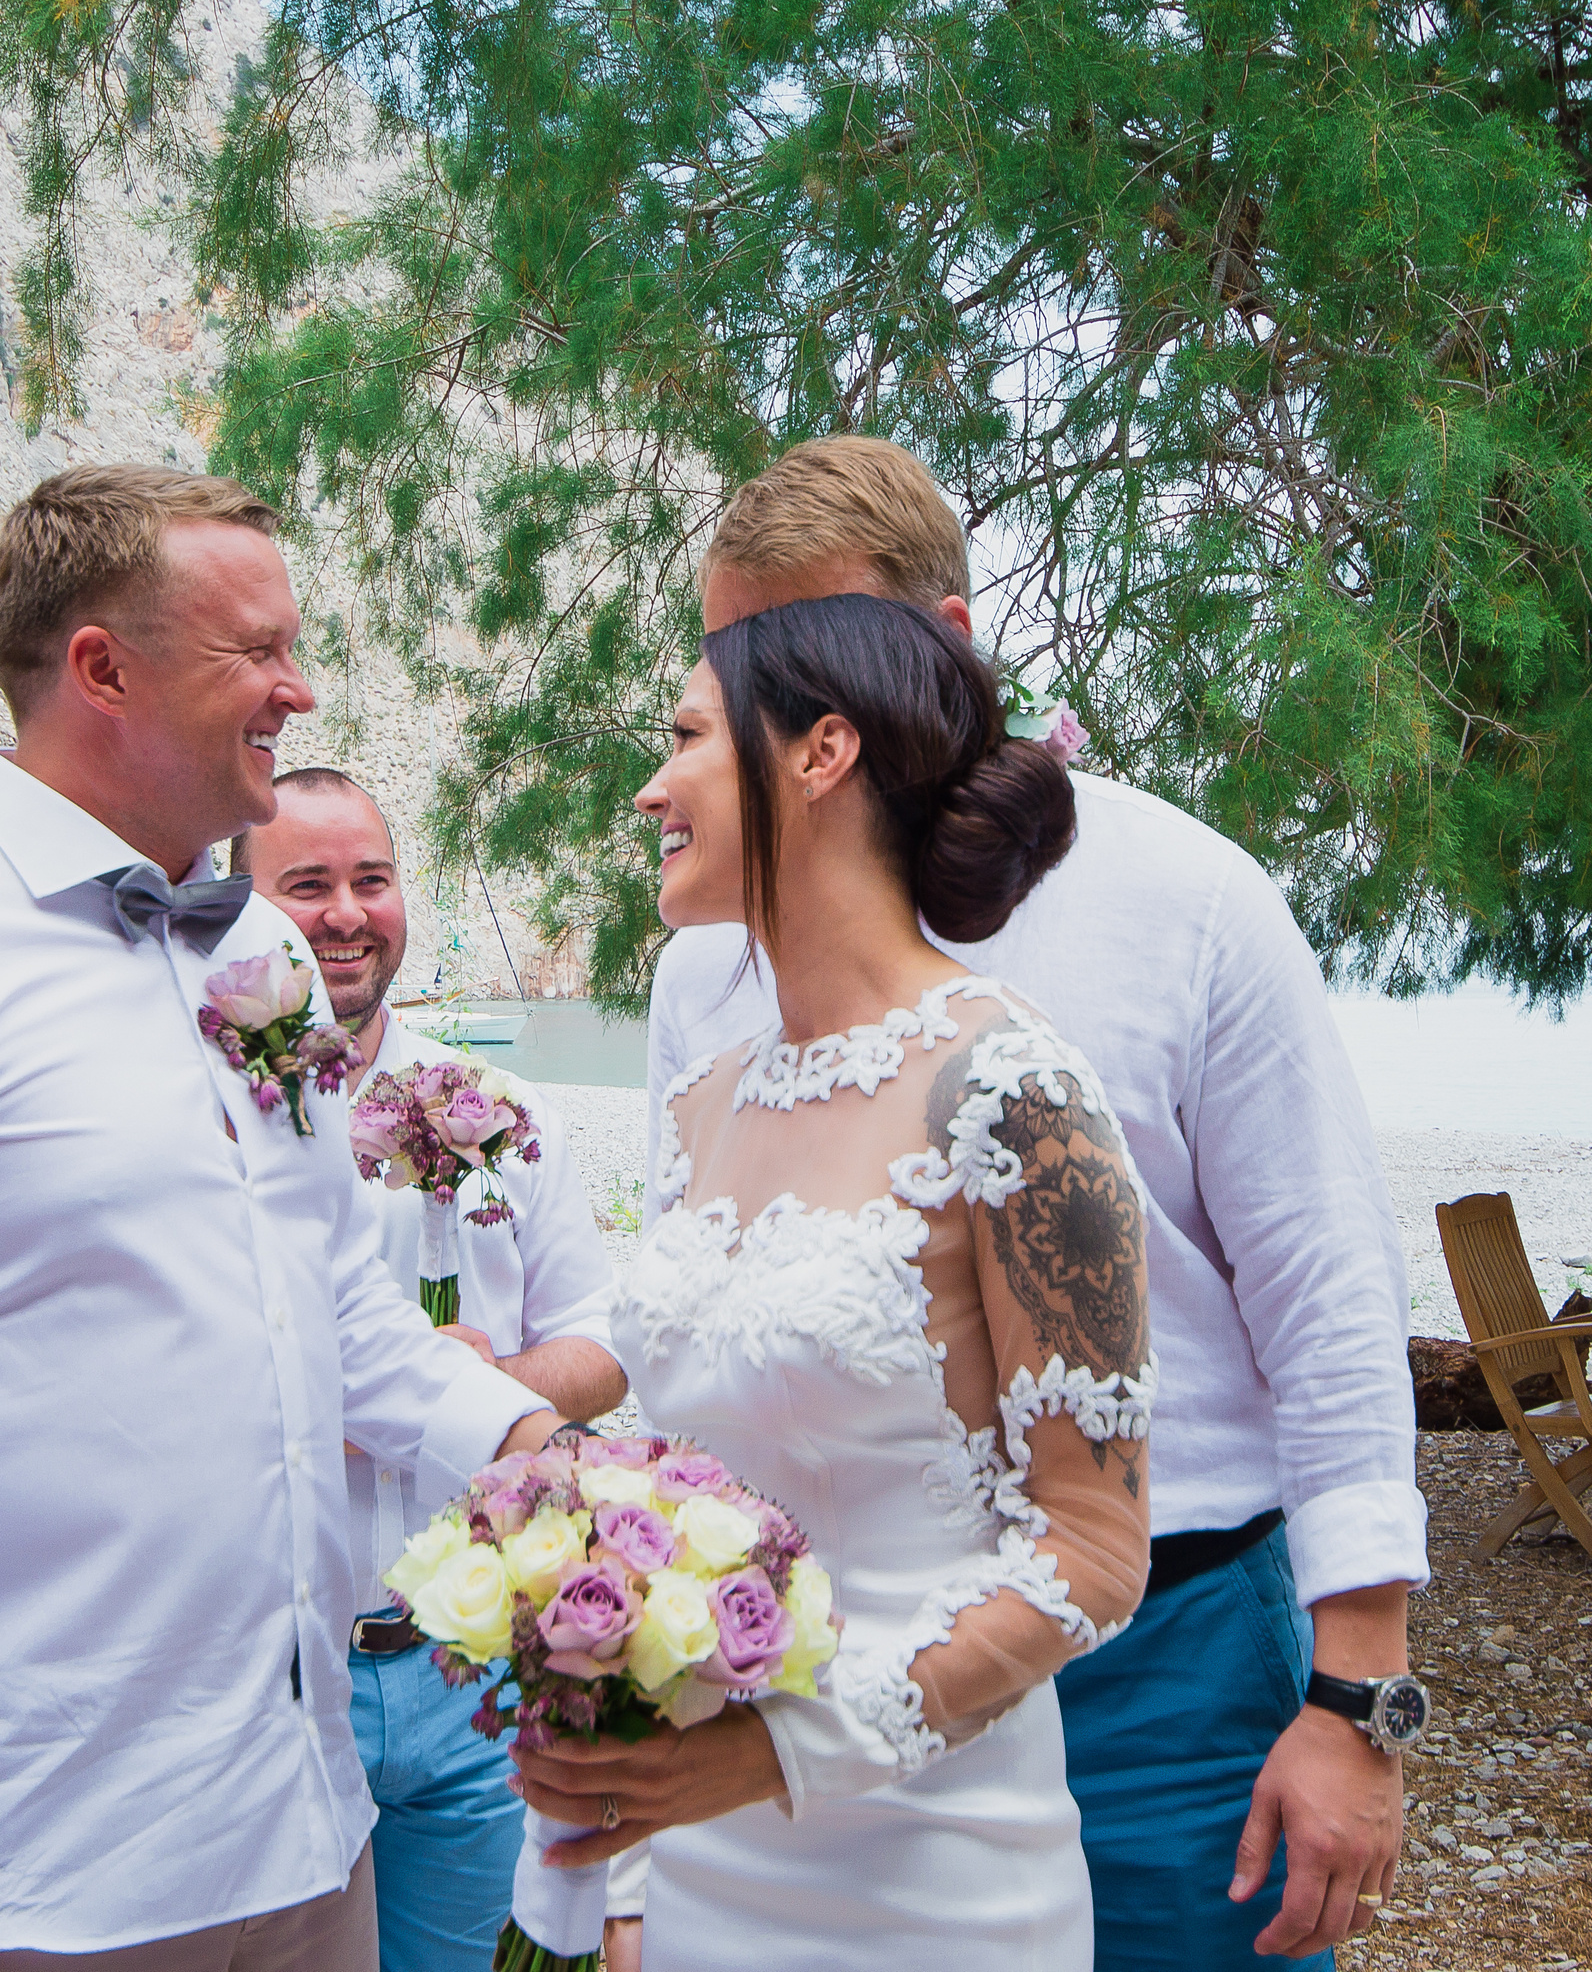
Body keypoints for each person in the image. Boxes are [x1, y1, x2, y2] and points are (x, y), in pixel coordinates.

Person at [0, 464, 562, 1972]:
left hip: (301, 1823)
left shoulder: (266, 957)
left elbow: (335, 1306)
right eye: (257, 649)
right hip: (33, 1860)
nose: (297, 686)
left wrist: (538, 1451)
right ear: (103, 667)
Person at [634, 437, 1427, 1969]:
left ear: (935, 649)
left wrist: (1357, 1701)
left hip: (1166, 1666)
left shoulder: (1186, 898)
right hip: (791, 1668)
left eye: (788, 659)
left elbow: (1329, 1297)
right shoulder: (702, 975)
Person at [517, 590, 1153, 1967]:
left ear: (821, 752)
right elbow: (683, 1481)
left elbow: (1097, 1549)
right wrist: (628, 1855)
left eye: (685, 735)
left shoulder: (1014, 1087)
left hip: (938, 1876)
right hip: (697, 1866)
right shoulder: (704, 1103)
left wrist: (772, 1753)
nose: (650, 786)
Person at [238, 768, 628, 1972]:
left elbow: (608, 1343)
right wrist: (336, 1395)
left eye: (373, 880)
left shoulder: (505, 1107)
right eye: (307, 885)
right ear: (245, 908)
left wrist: (489, 1379)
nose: (347, 913)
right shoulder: (212, 1116)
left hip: (470, 1673)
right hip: (280, 1672)